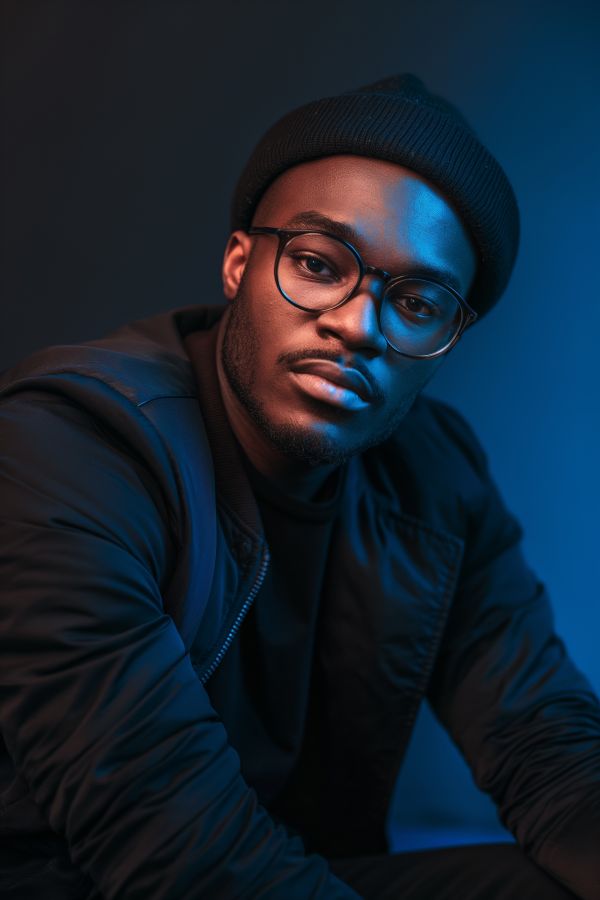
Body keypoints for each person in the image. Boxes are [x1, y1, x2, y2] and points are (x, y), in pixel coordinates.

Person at [0, 73, 598, 900]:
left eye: (417, 301)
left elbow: (542, 740)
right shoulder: (71, 442)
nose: (358, 325)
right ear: (240, 263)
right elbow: (166, 838)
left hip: (290, 868)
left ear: (445, 337)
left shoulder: (435, 475)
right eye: (319, 264)